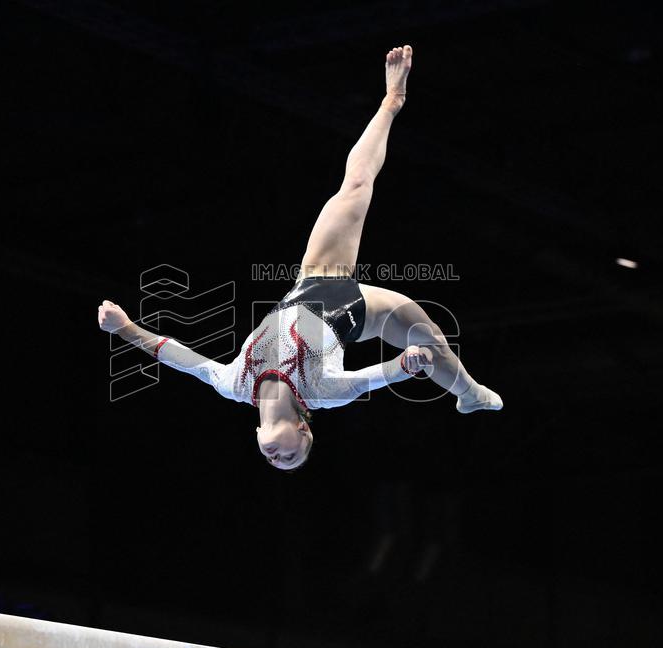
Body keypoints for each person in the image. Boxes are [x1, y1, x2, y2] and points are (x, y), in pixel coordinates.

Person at [99, 45, 502, 471]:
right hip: (358, 310)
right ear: (304, 431)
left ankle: (391, 101)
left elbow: (177, 355)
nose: (279, 457)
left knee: (355, 185)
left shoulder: (234, 383)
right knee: (431, 338)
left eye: (275, 460)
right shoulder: (322, 393)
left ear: (257, 437)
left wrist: (124, 328)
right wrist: (406, 364)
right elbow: (373, 377)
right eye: (292, 456)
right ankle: (469, 392)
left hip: (314, 280)